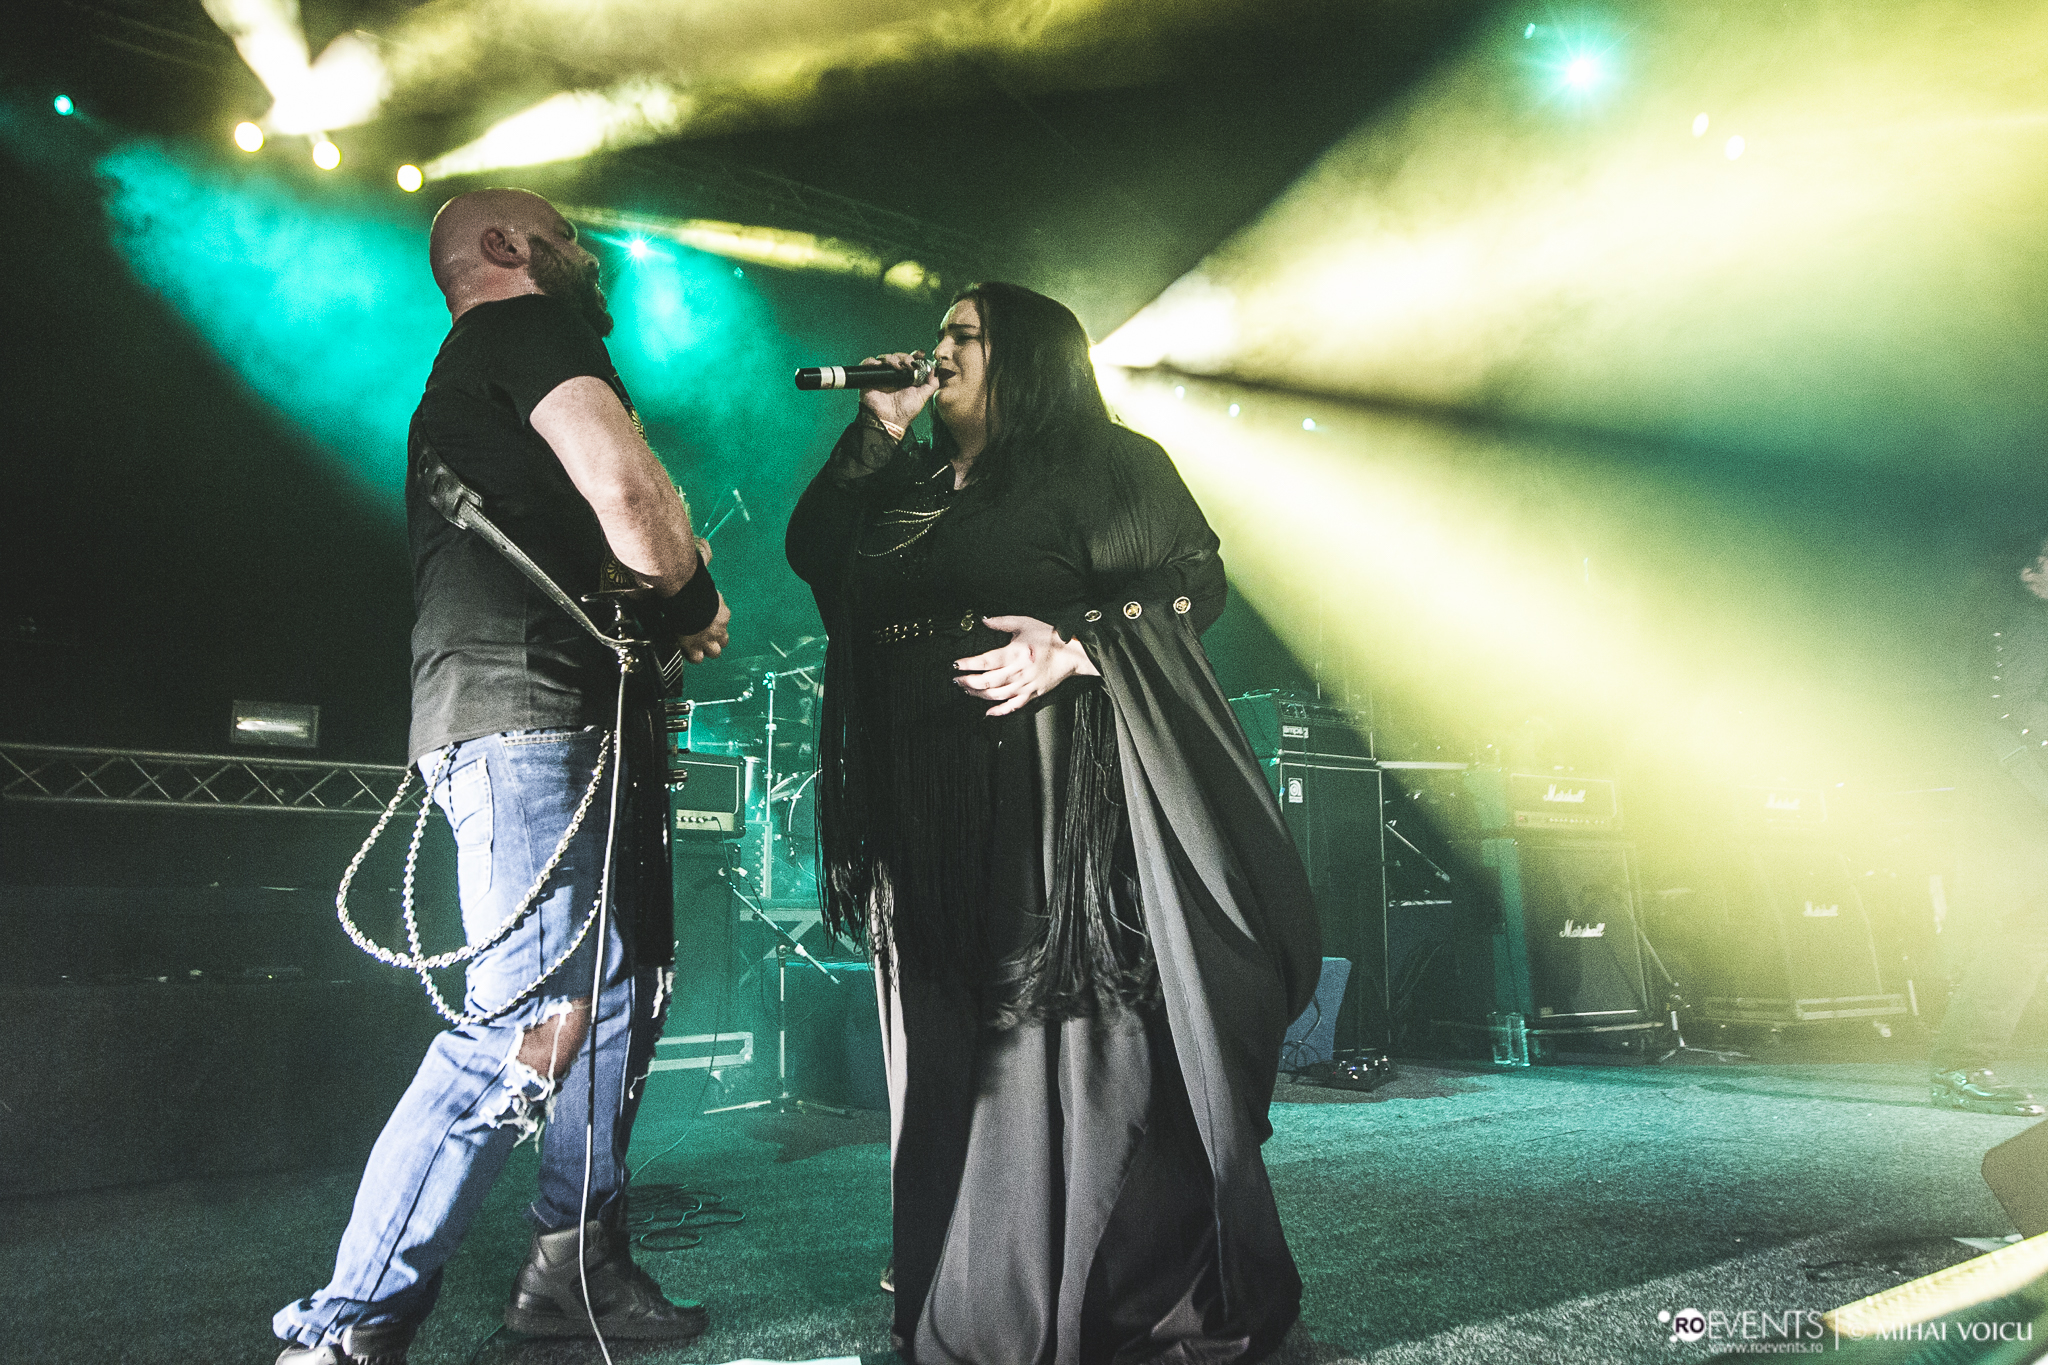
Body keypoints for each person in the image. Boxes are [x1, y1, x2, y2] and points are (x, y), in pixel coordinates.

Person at [786, 282, 1321, 1364]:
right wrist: (875, 433)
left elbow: (1192, 581)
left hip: (1049, 791)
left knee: (1056, 1035)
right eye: (938, 334)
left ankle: (1092, 1295)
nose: (937, 351)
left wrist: (1074, 642)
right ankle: (962, 1276)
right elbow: (817, 554)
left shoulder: (1107, 464)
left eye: (963, 335)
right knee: (945, 1041)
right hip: (922, 797)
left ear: (1027, 358)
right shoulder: (913, 478)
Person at [272, 189, 731, 1365]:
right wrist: (688, 594)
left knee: (610, 1000)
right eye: (571, 238)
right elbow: (626, 489)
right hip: (524, 717)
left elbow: (582, 530)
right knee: (529, 1020)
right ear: (504, 247)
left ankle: (572, 1270)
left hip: (542, 713)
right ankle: (346, 1324)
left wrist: (650, 596)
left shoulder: (477, 371)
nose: (590, 258)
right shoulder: (527, 329)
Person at [1930, 535, 2048, 1117]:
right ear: (2032, 573)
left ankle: (1961, 1064)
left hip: (2021, 792)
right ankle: (1960, 1065)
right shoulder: (2025, 626)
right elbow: (2008, 715)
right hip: (2020, 797)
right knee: (2027, 927)